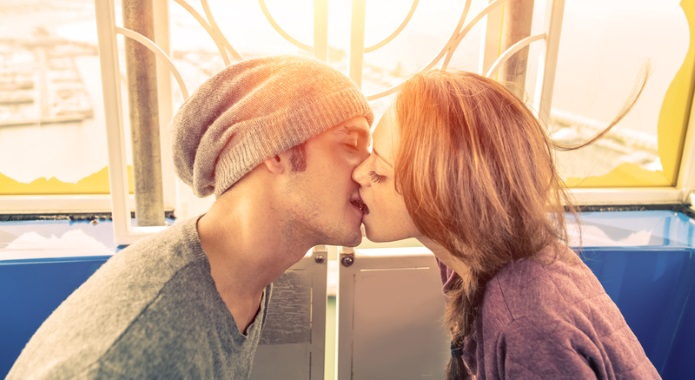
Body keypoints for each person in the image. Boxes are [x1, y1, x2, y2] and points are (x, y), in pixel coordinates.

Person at [8, 55, 373, 379]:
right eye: (351, 142)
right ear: (275, 151)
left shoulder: (247, 272)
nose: (367, 169)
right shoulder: (134, 354)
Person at [352, 69, 659, 379]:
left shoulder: (528, 326)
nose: (359, 174)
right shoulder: (469, 256)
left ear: (445, 196)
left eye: (379, 171)